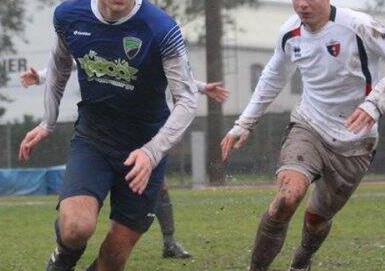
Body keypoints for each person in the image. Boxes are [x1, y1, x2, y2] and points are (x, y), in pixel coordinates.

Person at [18, 0, 198, 271]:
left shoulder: (161, 28)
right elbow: (61, 64)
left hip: (144, 152)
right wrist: (47, 121)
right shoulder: (69, 16)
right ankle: (65, 251)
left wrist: (152, 153)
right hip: (95, 138)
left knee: (114, 261)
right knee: (78, 226)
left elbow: (187, 100)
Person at [220, 0, 385, 271]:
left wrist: (373, 103)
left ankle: (301, 262)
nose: (302, 4)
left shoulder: (359, 27)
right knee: (287, 197)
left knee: (316, 219)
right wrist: (244, 123)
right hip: (309, 126)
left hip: (356, 141)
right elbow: (272, 77)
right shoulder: (289, 33)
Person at [20, 67, 229, 259]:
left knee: (159, 186)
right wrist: (41, 76)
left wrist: (201, 88)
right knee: (89, 197)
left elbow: (176, 74)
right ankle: (68, 233)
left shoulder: (152, 40)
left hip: (142, 131)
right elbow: (69, 60)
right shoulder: (104, 39)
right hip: (105, 133)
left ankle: (169, 242)